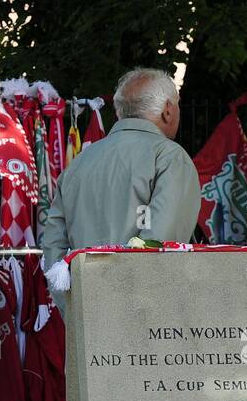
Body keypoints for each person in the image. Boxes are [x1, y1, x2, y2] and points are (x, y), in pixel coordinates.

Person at [39, 68, 201, 271]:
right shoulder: (170, 157)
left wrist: (71, 301)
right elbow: (162, 247)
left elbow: (53, 248)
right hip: (145, 300)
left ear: (118, 112)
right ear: (168, 110)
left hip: (85, 298)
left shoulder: (79, 163)